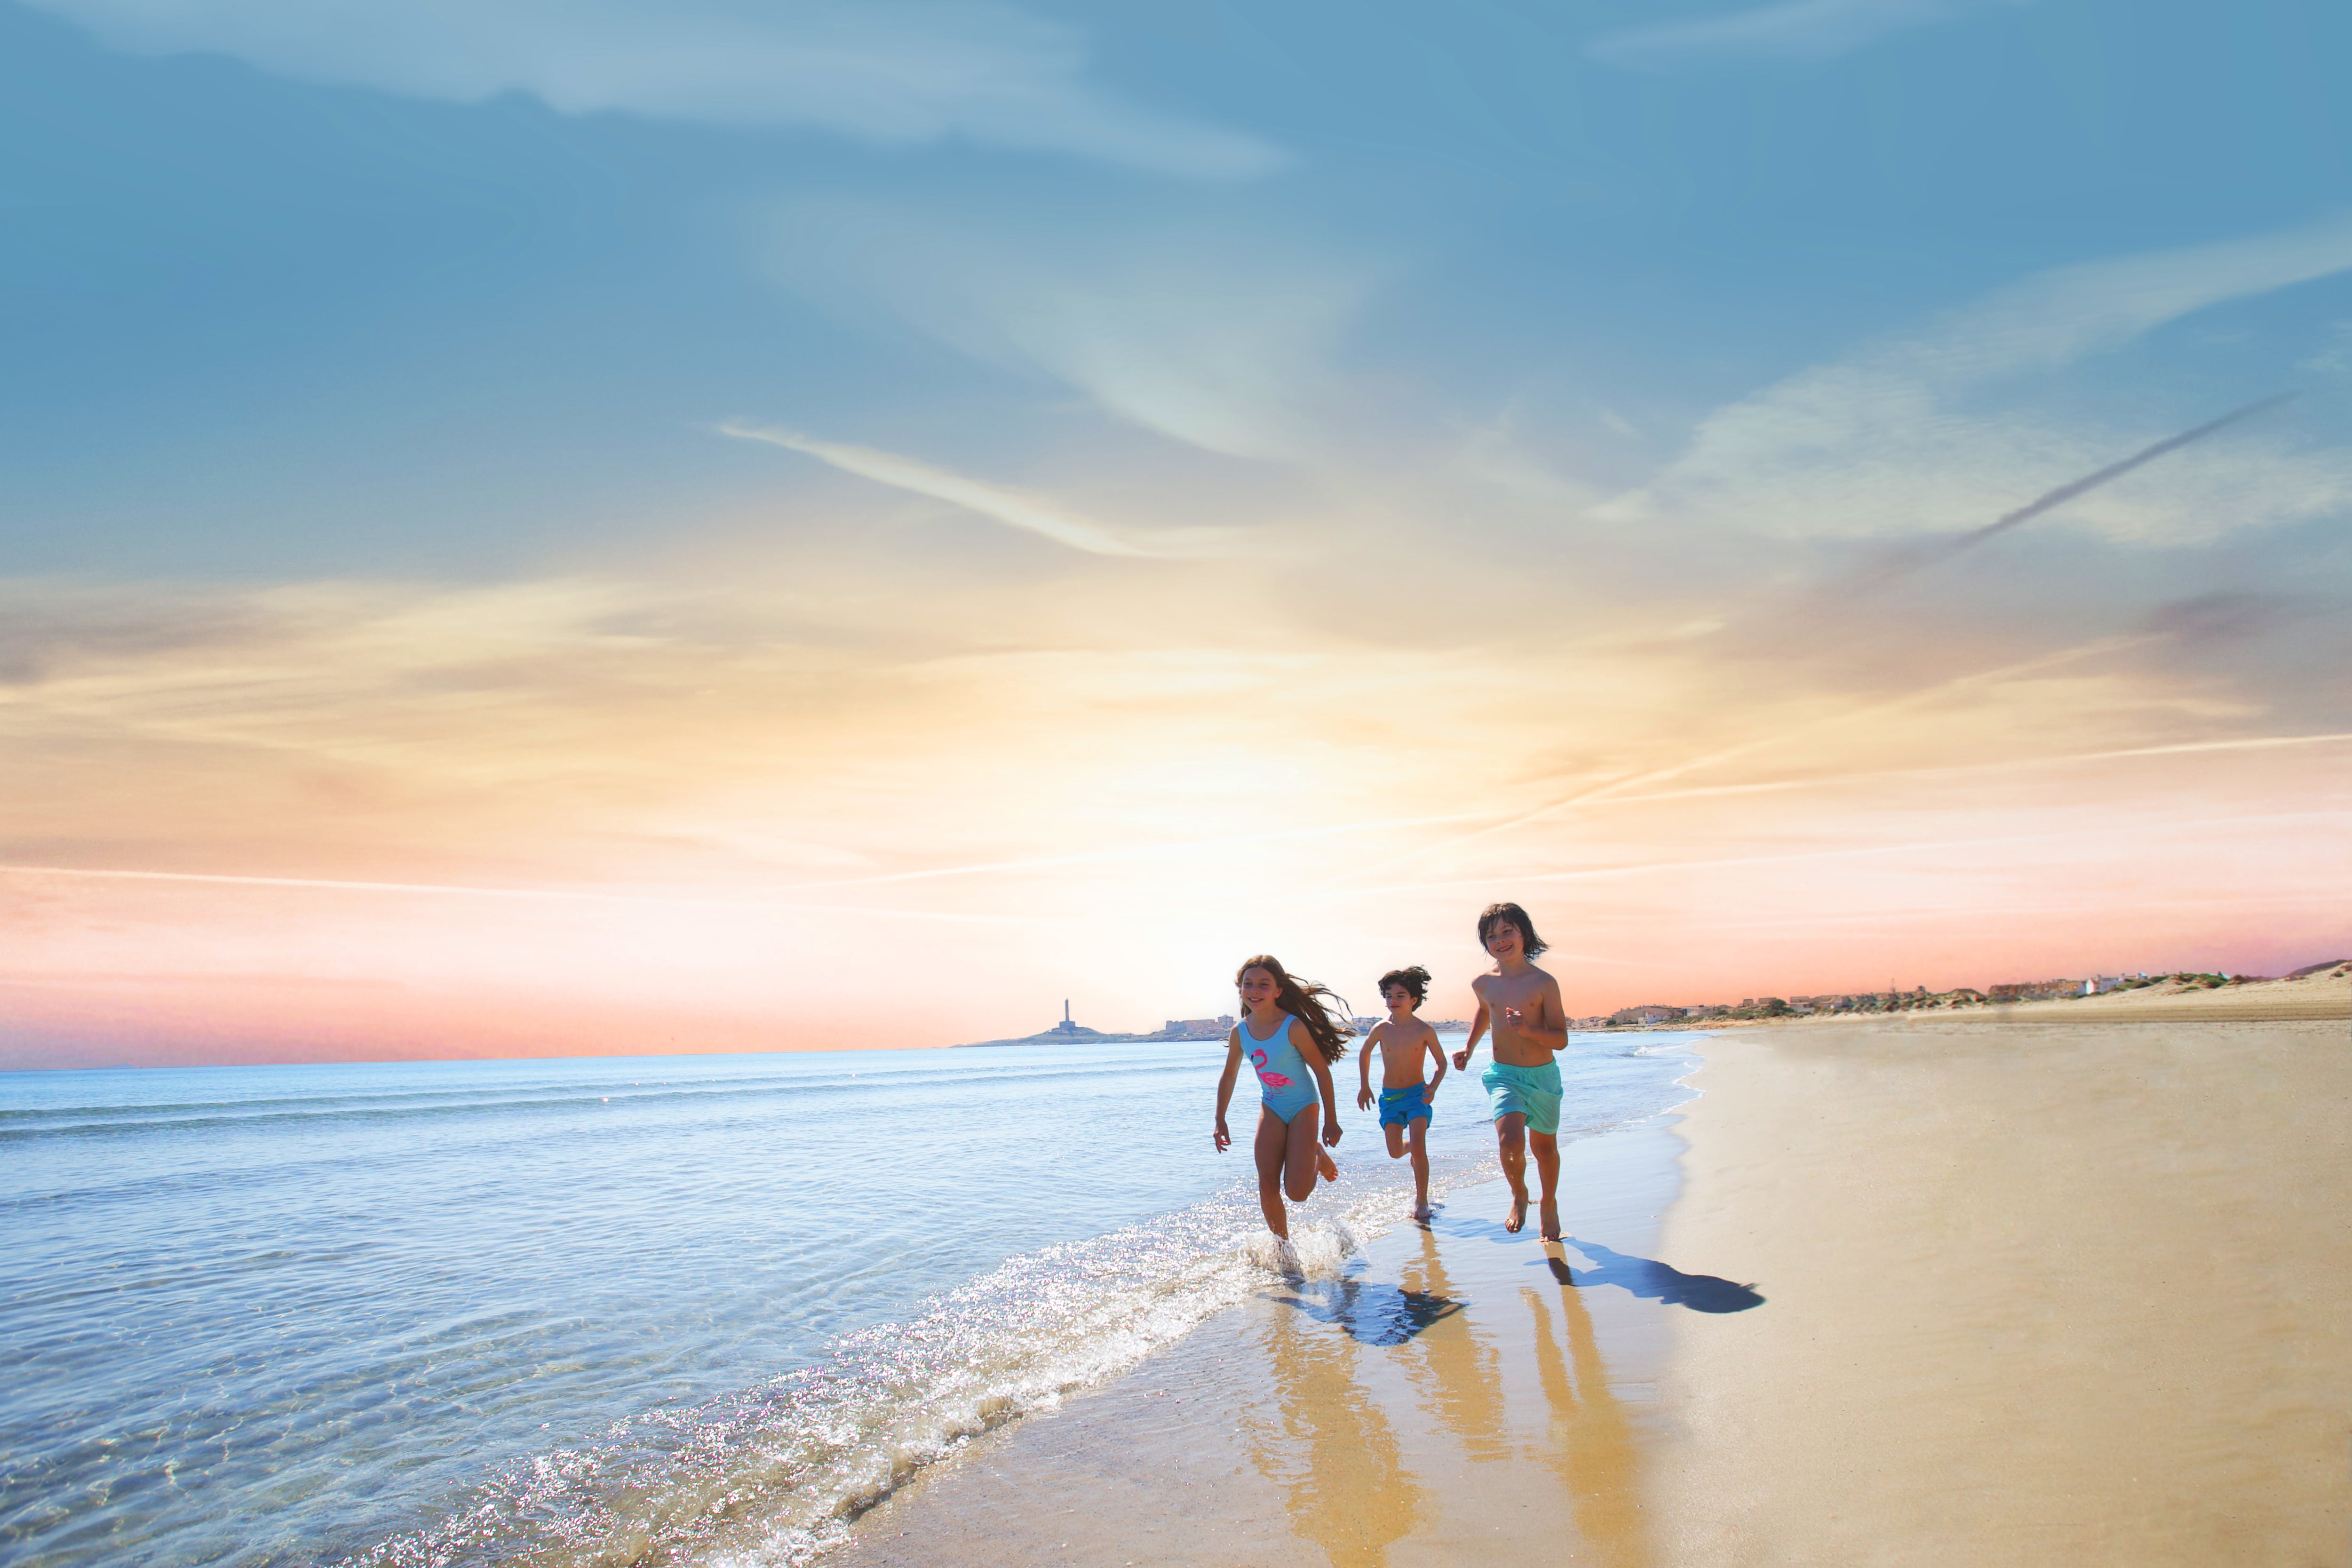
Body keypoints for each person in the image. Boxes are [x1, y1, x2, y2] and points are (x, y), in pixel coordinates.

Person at [1451, 902, 1570, 1239]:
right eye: (1492, 936)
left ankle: (1548, 1201)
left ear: (1524, 935)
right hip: (1504, 1074)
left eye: (1507, 932)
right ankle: (1519, 1193)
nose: (1500, 940)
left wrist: (1530, 1030)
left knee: (1545, 1148)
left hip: (1543, 1076)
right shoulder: (1483, 983)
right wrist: (1469, 1048)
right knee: (1510, 1141)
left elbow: (1561, 1039)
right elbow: (1485, 1012)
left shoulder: (1544, 982)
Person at [1214, 955, 1352, 1240]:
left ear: (1278, 991)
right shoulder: (1240, 1032)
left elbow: (1322, 1073)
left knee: (1297, 1193)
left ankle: (1315, 1152)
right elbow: (1229, 1076)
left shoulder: (1293, 1027)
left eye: (1264, 985)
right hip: (1272, 1106)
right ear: (1240, 990)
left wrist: (1331, 1121)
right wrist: (1220, 1119)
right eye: (1248, 984)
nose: (1255, 991)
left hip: (1304, 1106)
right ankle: (1283, 1249)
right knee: (1267, 1185)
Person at [1355, 965, 1447, 1219]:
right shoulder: (1382, 1029)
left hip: (1418, 1095)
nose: (1393, 1001)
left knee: (1420, 1146)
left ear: (1414, 1000)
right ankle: (1412, 1151)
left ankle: (1422, 1201)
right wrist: (1365, 1086)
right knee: (1395, 1151)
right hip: (1391, 1098)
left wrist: (1434, 1087)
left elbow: (1442, 1064)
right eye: (1389, 996)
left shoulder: (1424, 1030)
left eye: (1400, 996)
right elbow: (1364, 1053)